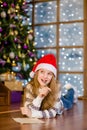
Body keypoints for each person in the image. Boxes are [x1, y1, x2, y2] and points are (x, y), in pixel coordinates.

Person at [20, 54, 77, 118]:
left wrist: (33, 114)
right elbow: (29, 110)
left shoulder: (56, 87)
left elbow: (53, 112)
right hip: (45, 105)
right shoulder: (29, 87)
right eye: (42, 72)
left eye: (49, 73)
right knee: (65, 97)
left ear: (52, 77)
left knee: (69, 102)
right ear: (37, 73)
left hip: (60, 104)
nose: (45, 76)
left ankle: (71, 90)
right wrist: (40, 96)